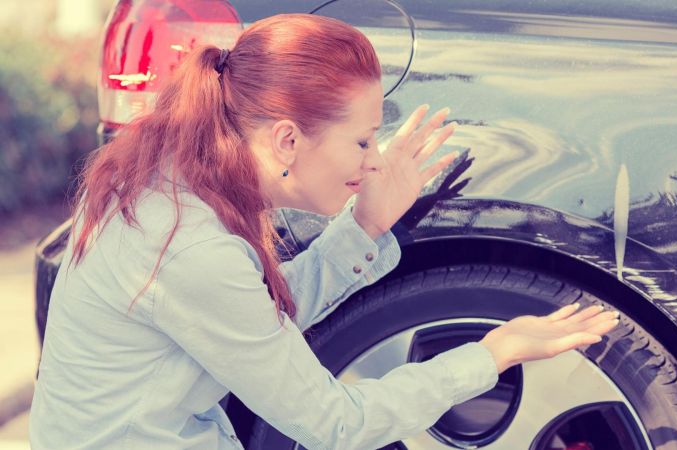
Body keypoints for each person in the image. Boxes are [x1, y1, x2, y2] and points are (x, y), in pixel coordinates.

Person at [29, 13, 620, 450]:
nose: (373, 160)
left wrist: (363, 226)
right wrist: (493, 353)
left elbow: (255, 323)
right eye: (362, 140)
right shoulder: (192, 247)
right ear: (287, 140)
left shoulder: (171, 184)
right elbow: (334, 423)